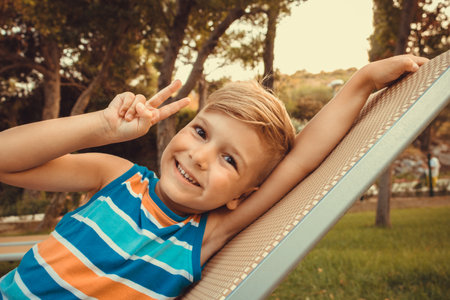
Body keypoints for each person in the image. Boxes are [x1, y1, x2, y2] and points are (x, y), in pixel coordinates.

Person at [0, 54, 428, 299]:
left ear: (245, 194)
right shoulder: (117, 177)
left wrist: (363, 81)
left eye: (230, 161)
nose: (201, 157)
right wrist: (102, 128)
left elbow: (300, 162)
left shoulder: (204, 235)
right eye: (201, 132)